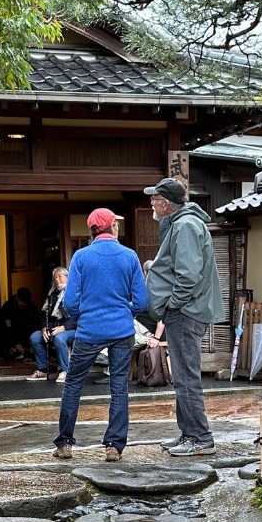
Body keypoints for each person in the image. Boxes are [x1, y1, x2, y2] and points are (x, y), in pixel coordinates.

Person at [53, 209, 147, 462]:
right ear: (112, 227)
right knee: (119, 386)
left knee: (73, 384)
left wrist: (84, 317)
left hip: (89, 330)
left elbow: (70, 301)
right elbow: (141, 300)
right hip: (121, 330)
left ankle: (64, 444)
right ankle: (114, 446)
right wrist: (125, 313)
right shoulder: (129, 256)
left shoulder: (81, 257)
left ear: (92, 230)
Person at [144, 178, 225, 456]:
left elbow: (188, 276)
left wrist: (172, 305)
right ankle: (188, 434)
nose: (151, 203)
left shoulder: (186, 225)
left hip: (185, 311)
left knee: (186, 376)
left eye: (154, 199)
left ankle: (200, 438)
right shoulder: (182, 223)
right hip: (186, 310)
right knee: (181, 375)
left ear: (166, 203)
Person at [27, 267, 76, 383]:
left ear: (67, 278)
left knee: (59, 338)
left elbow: (79, 316)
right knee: (34, 337)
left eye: (60, 276)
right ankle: (42, 369)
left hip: (72, 329)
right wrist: (44, 328)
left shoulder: (74, 294)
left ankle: (66, 371)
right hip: (53, 328)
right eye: (55, 277)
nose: (57, 279)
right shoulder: (52, 295)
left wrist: (63, 327)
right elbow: (45, 316)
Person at [0, 287, 39, 360]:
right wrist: (15, 343)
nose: (23, 304)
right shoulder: (8, 307)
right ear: (16, 298)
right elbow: (6, 327)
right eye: (21, 300)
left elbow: (35, 325)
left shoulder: (31, 307)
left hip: (25, 337)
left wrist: (32, 343)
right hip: (9, 336)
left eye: (25, 302)